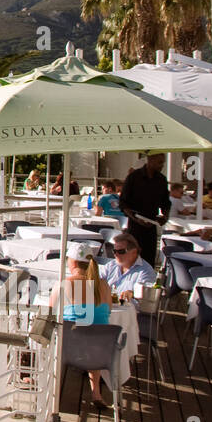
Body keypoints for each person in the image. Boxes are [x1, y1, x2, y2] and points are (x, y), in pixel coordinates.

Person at [49, 242, 113, 406]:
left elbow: (49, 313)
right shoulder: (104, 286)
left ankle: (46, 385)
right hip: (100, 352)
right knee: (94, 334)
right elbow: (108, 313)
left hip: (69, 350)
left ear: (72, 263)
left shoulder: (63, 285)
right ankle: (96, 393)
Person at [120, 153, 169, 266]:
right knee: (133, 260)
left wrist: (165, 216)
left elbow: (165, 203)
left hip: (151, 226)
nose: (162, 166)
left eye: (163, 162)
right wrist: (136, 219)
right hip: (135, 226)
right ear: (150, 160)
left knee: (149, 261)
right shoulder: (133, 177)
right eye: (159, 162)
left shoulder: (161, 180)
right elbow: (123, 203)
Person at [101, 232, 157, 300]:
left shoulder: (146, 271)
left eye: (121, 251)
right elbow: (95, 281)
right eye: (114, 251)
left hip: (130, 309)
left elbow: (147, 295)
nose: (116, 254)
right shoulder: (111, 265)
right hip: (107, 306)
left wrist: (133, 293)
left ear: (134, 252)